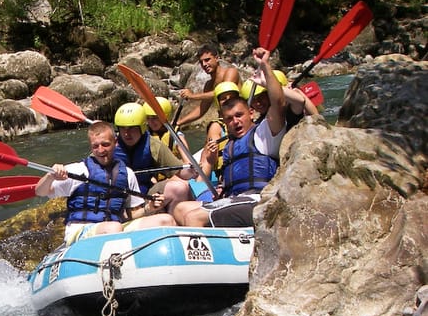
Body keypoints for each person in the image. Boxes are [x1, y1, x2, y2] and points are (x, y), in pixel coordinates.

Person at [171, 47, 286, 228]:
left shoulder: (263, 134)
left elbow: (278, 103)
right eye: (229, 119)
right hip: (234, 199)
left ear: (251, 113)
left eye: (239, 115)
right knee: (180, 209)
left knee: (194, 217)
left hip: (258, 200)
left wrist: (265, 65)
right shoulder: (230, 144)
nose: (235, 122)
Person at [35, 121, 169, 244]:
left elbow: (128, 215)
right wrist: (50, 176)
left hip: (114, 228)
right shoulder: (78, 170)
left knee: (165, 220)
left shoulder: (127, 174)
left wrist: (149, 208)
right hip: (81, 231)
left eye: (105, 144)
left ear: (115, 142)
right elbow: (40, 191)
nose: (100, 150)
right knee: (114, 228)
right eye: (95, 146)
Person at [113, 102, 195, 217]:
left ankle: (175, 224)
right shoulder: (109, 145)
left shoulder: (153, 145)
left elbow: (182, 173)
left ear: (142, 127)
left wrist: (191, 169)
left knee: (179, 187)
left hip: (144, 195)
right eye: (123, 128)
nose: (127, 134)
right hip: (116, 198)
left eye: (132, 128)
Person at [176, 44, 240, 129]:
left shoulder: (231, 72)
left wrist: (192, 96)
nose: (204, 64)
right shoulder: (209, 85)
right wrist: (179, 123)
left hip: (238, 120)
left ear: (216, 58)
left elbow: (221, 93)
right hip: (224, 122)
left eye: (207, 60)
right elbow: (202, 109)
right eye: (201, 62)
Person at [240, 69, 318, 130]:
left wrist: (297, 92)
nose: (258, 103)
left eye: (261, 97)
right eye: (253, 100)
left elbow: (315, 116)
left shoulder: (290, 111)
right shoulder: (259, 121)